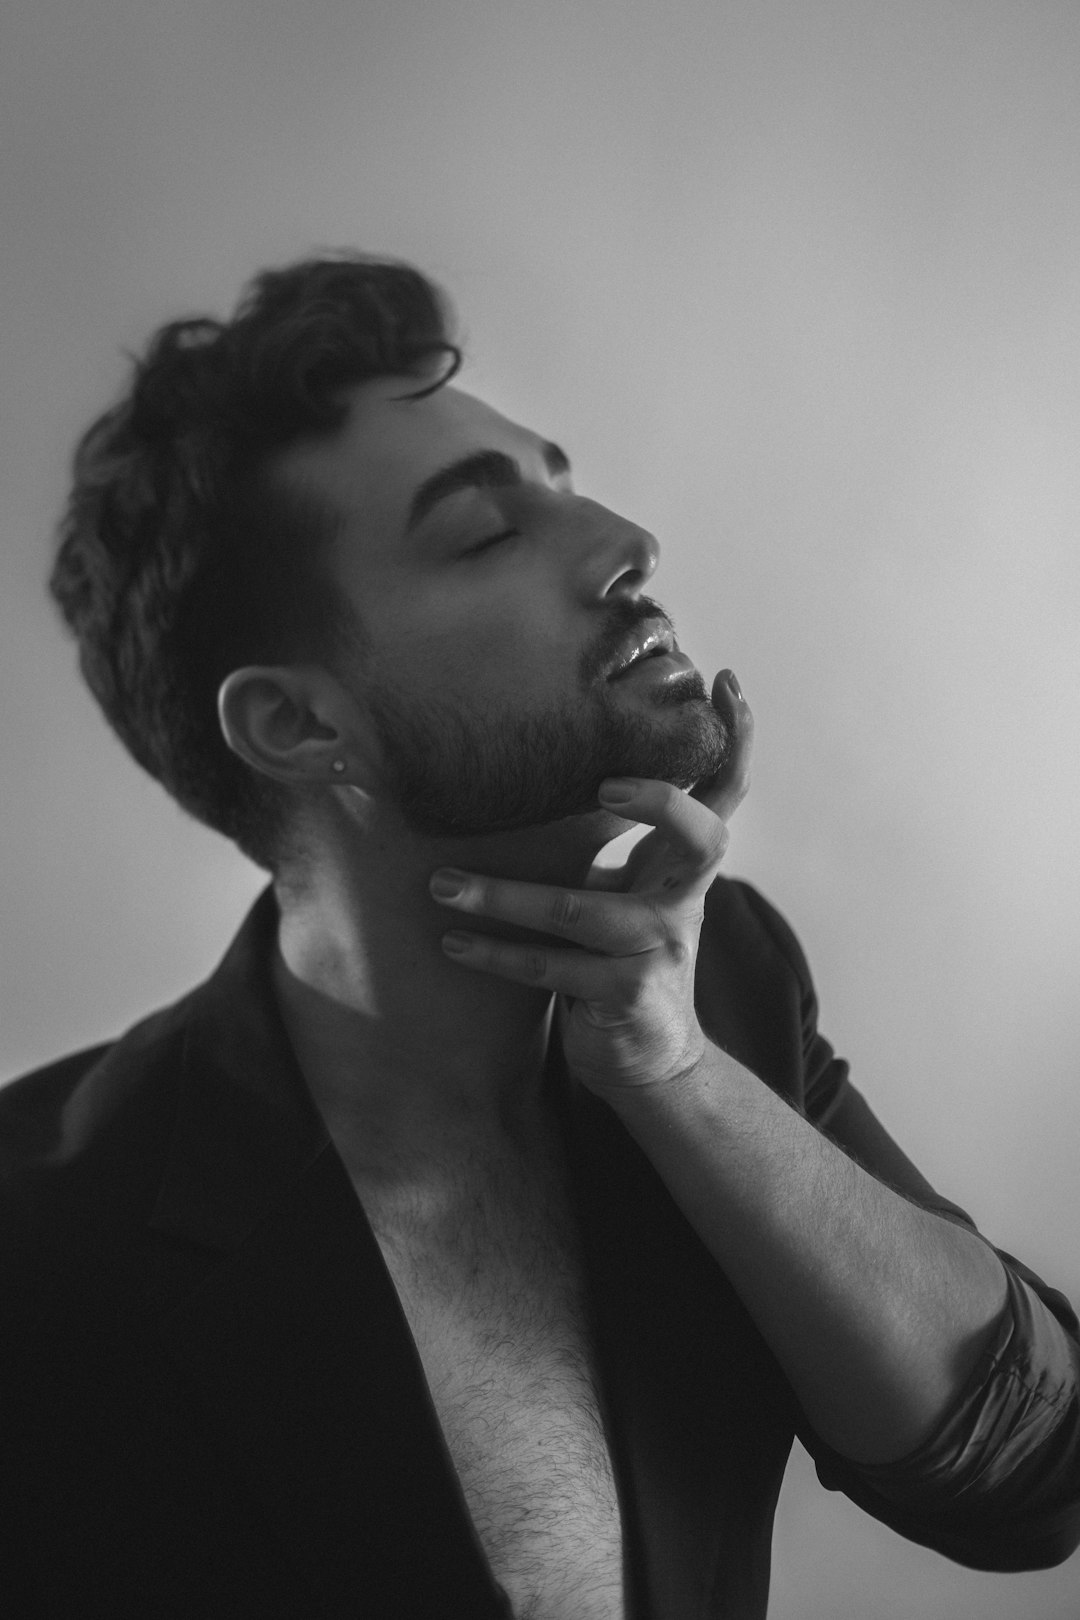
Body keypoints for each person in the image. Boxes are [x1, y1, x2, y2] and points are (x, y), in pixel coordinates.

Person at [1, 253, 1077, 1620]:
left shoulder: (714, 984)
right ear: (297, 726)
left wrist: (675, 1080)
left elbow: (1036, 1483)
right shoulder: (43, 1256)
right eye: (485, 534)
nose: (626, 541)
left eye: (563, 484)